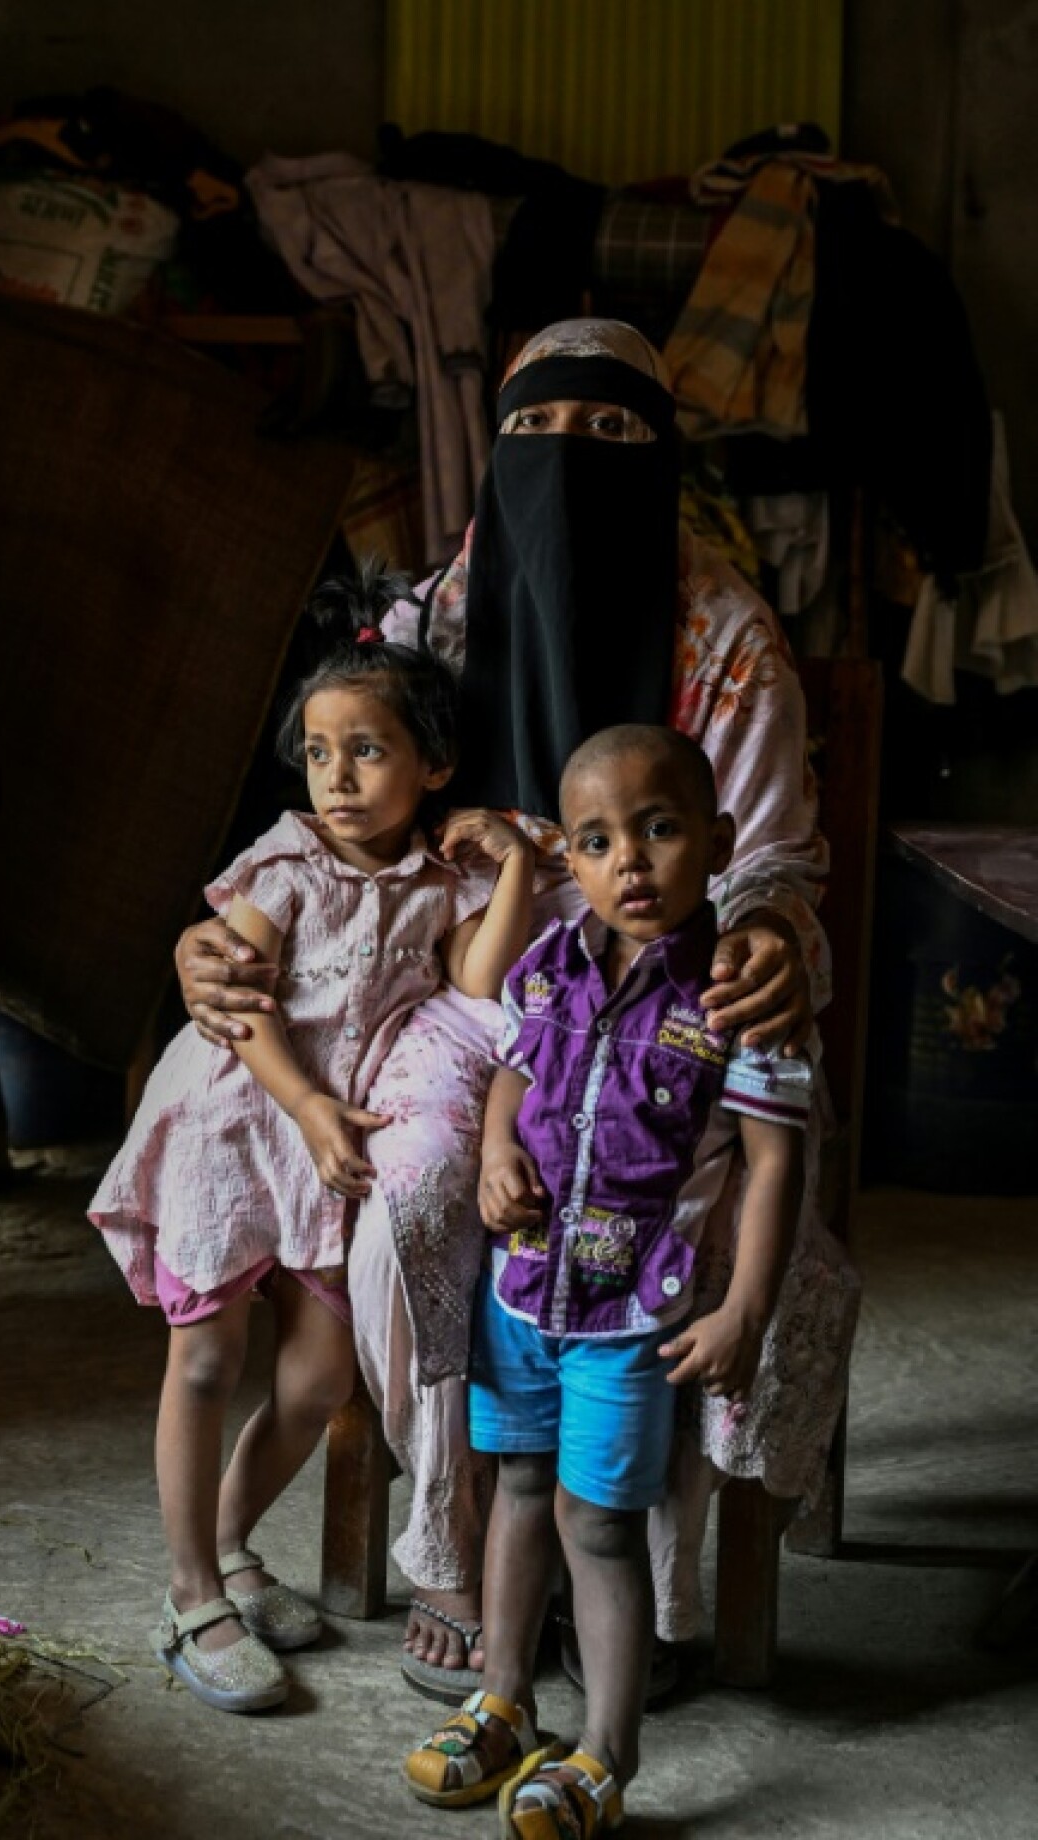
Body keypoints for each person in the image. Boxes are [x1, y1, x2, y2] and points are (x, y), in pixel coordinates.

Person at [174, 320, 859, 1700]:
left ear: (664, 461)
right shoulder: (436, 614)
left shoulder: (723, 634)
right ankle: (455, 1546)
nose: (570, 466)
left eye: (613, 437)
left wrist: (775, 930)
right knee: (412, 1195)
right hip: (464, 1003)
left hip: (671, 1003)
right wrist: (227, 926)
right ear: (493, 456)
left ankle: (624, 1573)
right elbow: (341, 797)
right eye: (536, 434)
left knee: (683, 1221)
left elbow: (775, 856)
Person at [89, 566, 536, 1713]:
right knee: (204, 1358)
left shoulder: (439, 882)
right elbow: (238, 1011)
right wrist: (303, 1103)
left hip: (325, 1147)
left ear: (435, 767)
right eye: (322, 750)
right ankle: (192, 1595)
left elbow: (481, 990)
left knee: (320, 1373)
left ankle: (234, 1544)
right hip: (236, 1127)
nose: (338, 776)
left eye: (370, 750)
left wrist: (517, 869)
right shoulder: (282, 864)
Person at [404, 725, 812, 1833]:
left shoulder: (737, 995)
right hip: (522, 1291)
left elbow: (777, 1158)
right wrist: (496, 1152)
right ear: (568, 861)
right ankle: (502, 1699)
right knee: (517, 1492)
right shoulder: (546, 963)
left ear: (719, 841)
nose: (629, 861)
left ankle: (604, 1753)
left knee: (598, 1524)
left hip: (631, 1313)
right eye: (597, 840)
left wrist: (746, 1310)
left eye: (661, 828)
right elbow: (510, 1072)